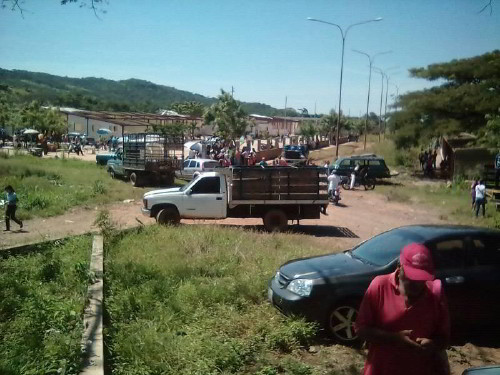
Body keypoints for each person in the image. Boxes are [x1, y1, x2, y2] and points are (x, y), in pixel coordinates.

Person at [355, 243, 450, 375]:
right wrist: (394, 338)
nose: (416, 283)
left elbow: (444, 338)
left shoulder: (435, 293)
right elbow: (361, 329)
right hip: (382, 369)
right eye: (412, 277)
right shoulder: (380, 286)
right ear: (399, 268)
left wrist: (432, 344)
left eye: (421, 278)